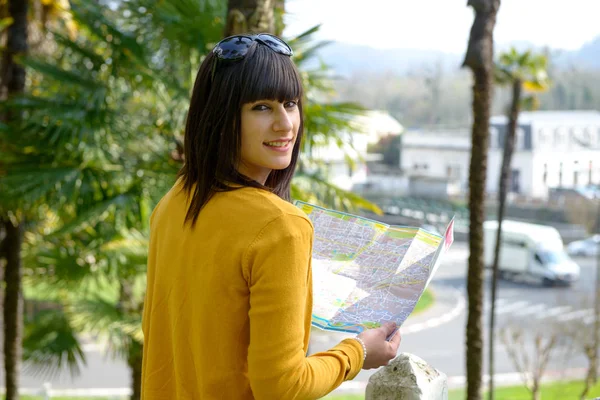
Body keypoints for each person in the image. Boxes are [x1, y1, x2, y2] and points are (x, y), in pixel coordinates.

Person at [141, 33, 401, 400]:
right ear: (221, 116)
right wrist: (356, 352)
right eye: (261, 107)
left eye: (290, 103)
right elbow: (282, 386)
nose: (285, 124)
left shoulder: (175, 201)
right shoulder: (281, 228)